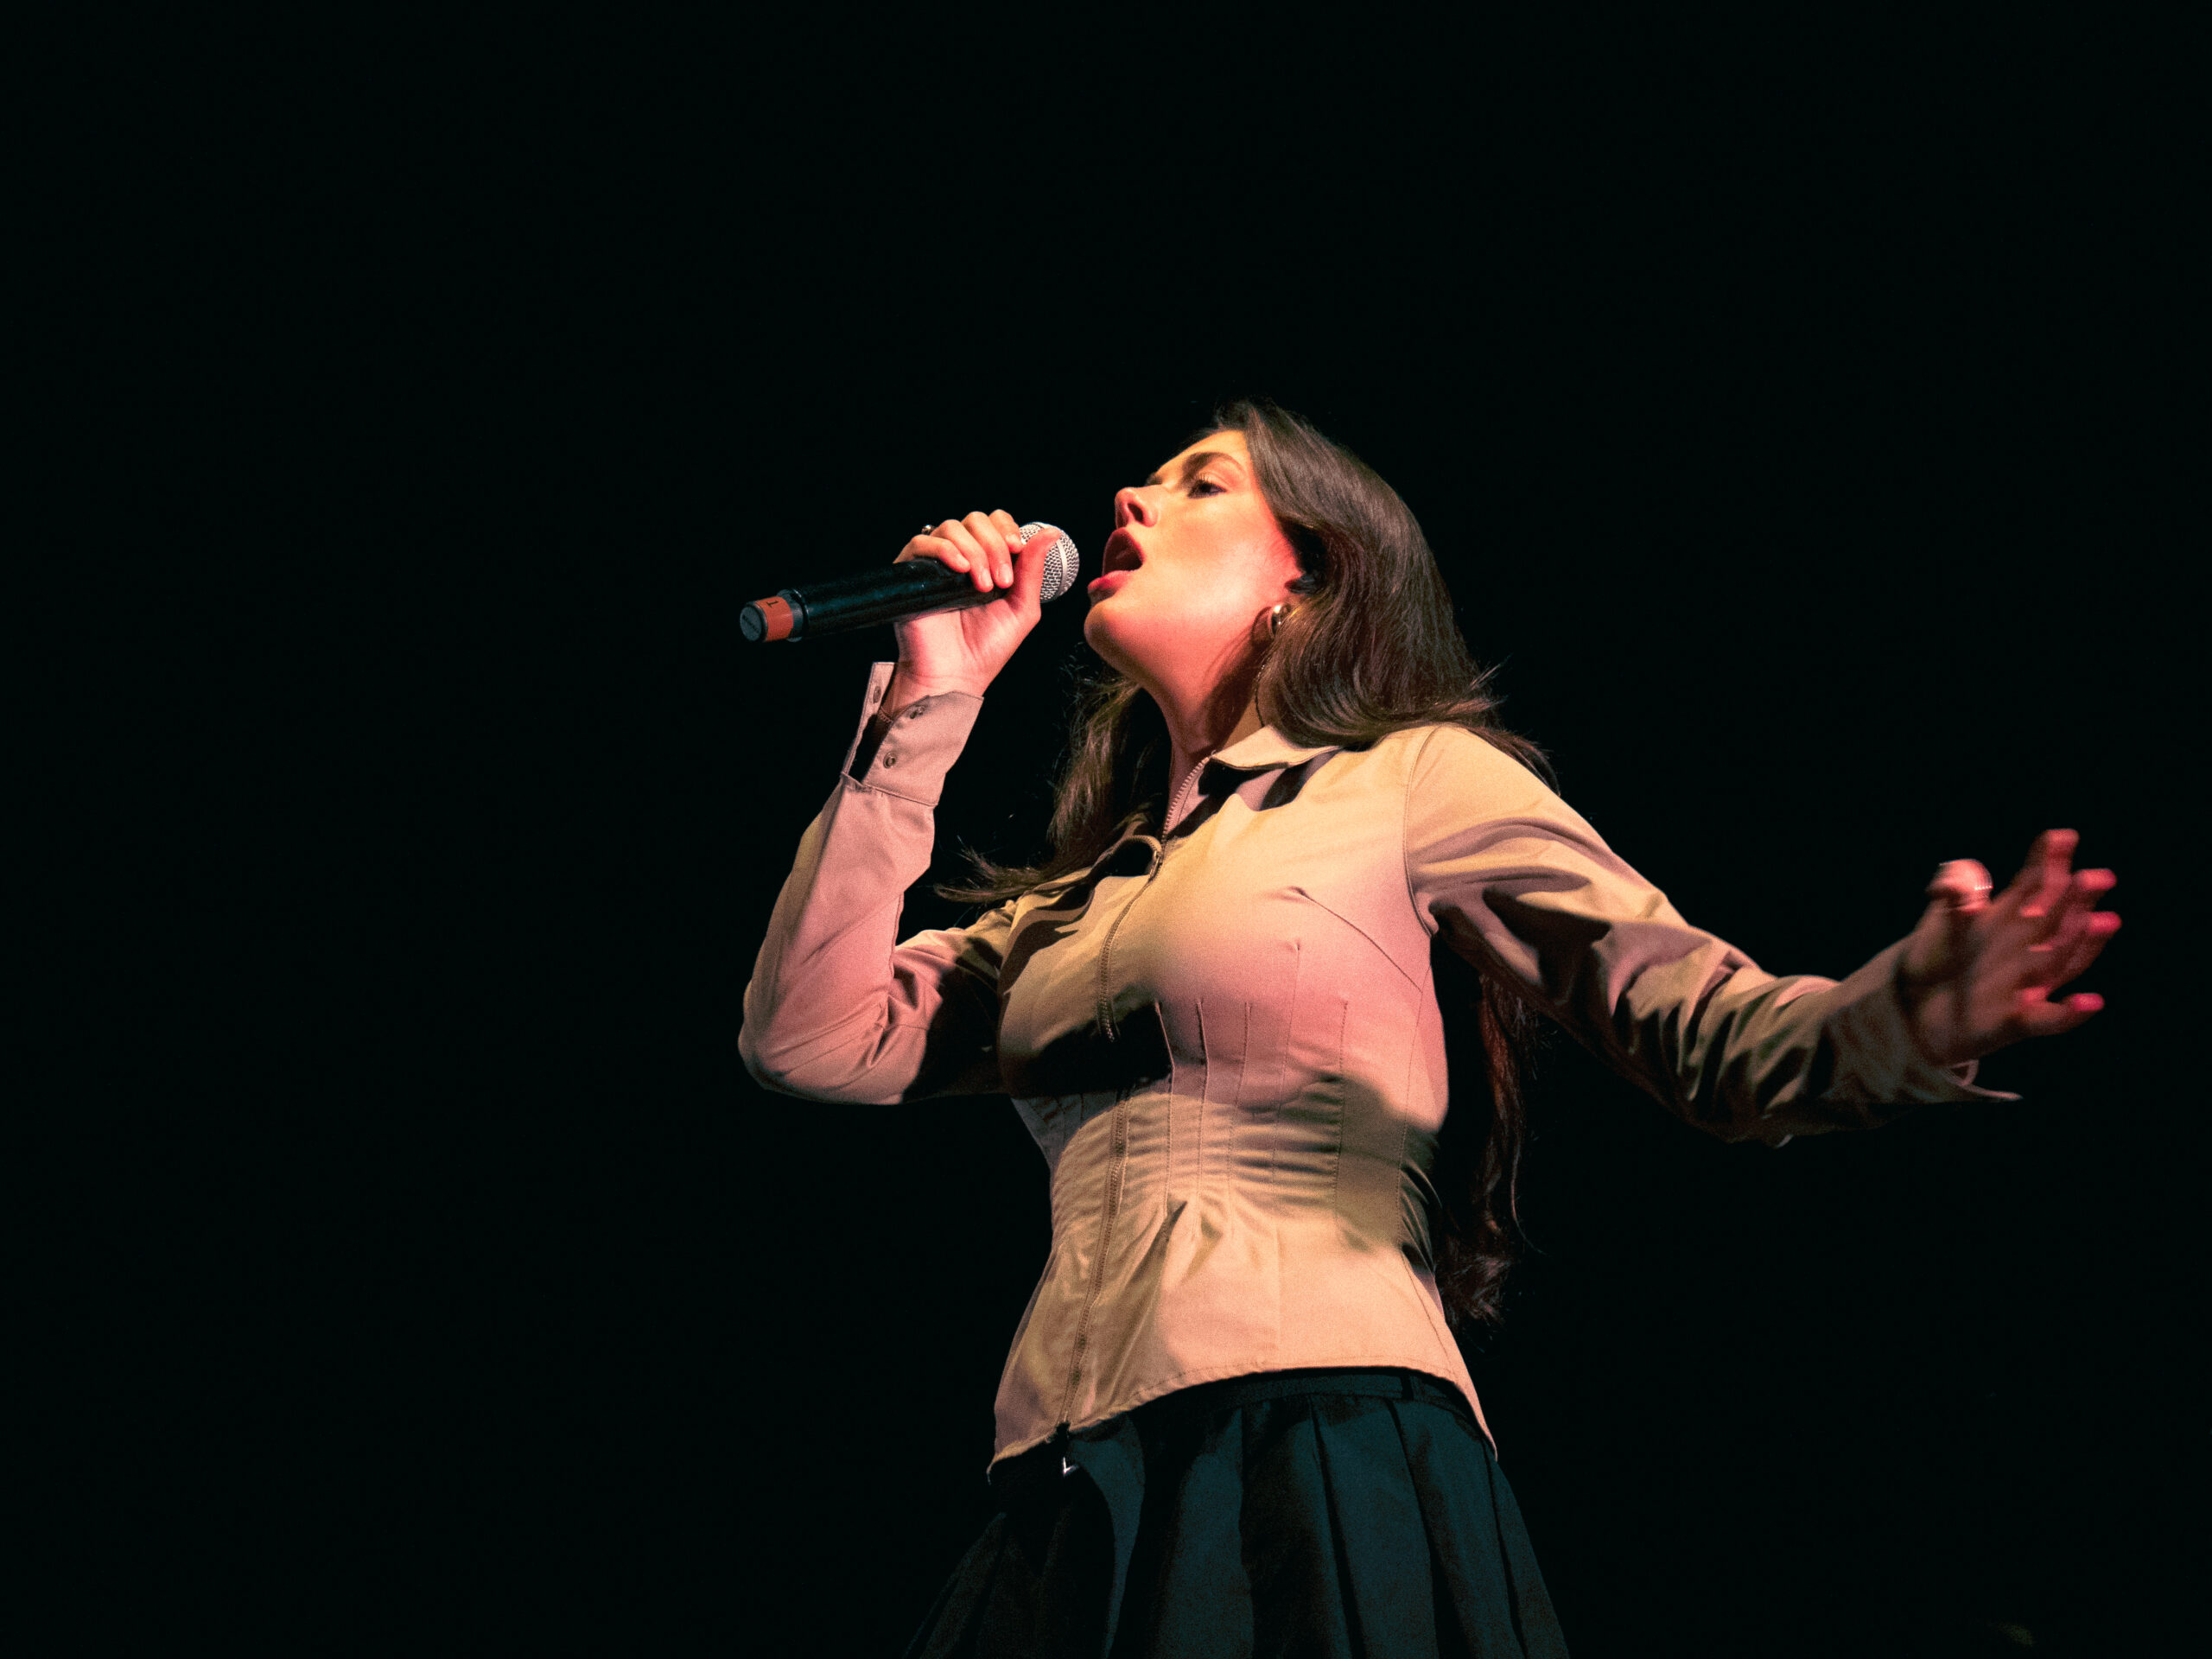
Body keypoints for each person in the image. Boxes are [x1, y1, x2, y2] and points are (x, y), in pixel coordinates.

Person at [739, 401, 2119, 1658]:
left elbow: (1705, 1025)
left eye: (1202, 482)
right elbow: (807, 1035)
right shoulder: (1069, 909)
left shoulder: (1410, 782)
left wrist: (1913, 1013)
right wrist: (932, 696)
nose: (1130, 498)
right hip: (1070, 1478)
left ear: (1310, 576)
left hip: (1312, 1440)